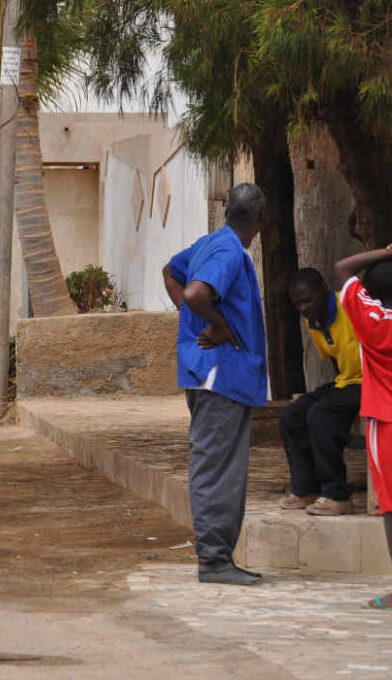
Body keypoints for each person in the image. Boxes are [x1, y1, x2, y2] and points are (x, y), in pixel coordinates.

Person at [162, 183, 268, 586]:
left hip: (209, 371)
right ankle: (214, 560)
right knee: (218, 468)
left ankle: (218, 558)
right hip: (220, 376)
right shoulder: (226, 252)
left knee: (221, 465)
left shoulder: (210, 242)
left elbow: (170, 270)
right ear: (260, 221)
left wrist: (193, 322)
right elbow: (193, 291)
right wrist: (217, 325)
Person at [331, 246, 392, 609]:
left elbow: (341, 267)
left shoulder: (369, 318)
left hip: (385, 422)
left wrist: (386, 250)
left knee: (390, 506)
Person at [279, 267, 362, 515]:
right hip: (346, 381)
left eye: (308, 300)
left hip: (373, 380)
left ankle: (337, 495)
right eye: (298, 304)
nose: (303, 307)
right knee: (292, 414)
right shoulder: (313, 321)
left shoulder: (348, 305)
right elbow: (335, 361)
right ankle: (306, 489)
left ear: (324, 290)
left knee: (320, 414)